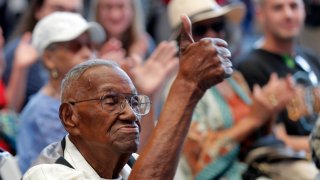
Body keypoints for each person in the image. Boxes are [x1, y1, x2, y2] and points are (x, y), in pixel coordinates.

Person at [22, 15, 232, 179]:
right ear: (70, 117)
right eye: (111, 101)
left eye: (134, 102)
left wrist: (151, 91)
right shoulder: (48, 173)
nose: (131, 114)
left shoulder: (133, 163)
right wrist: (187, 86)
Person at [167, 0, 296, 179]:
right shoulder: (178, 89)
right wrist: (253, 119)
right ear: (180, 41)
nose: (211, 36)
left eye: (217, 26)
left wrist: (269, 109)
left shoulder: (233, 77)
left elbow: (256, 138)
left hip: (257, 169)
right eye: (200, 30)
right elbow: (197, 159)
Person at [16, 12, 106, 173]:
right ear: (49, 58)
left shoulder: (81, 101)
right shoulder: (43, 111)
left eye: (90, 45)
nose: (87, 53)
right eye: (75, 46)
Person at [236, 0, 320, 153]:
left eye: (294, 6)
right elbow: (279, 140)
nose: (288, 14)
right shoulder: (250, 67)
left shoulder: (311, 58)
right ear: (261, 14)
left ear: (304, 11)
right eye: (278, 8)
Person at [3, 0, 83, 112]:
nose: (66, 18)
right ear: (38, 10)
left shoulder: (85, 51)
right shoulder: (20, 51)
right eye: (58, 10)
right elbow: (8, 116)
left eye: (74, 11)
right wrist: (20, 69)